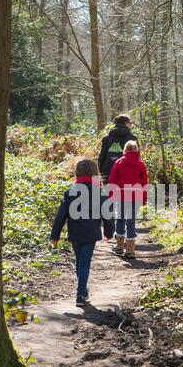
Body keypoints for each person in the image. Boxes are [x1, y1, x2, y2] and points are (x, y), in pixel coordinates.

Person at [50, 159, 114, 307]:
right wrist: (109, 232)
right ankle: (80, 294)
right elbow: (108, 215)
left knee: (80, 262)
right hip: (90, 232)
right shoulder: (100, 191)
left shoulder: (70, 192)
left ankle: (82, 291)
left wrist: (55, 235)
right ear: (94, 173)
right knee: (83, 262)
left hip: (75, 233)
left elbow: (61, 216)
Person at [108, 140, 148, 260]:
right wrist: (144, 198)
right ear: (137, 150)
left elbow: (112, 180)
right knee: (131, 221)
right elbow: (144, 182)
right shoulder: (141, 164)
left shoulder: (119, 162)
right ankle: (130, 250)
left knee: (119, 218)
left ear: (124, 149)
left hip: (121, 195)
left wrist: (111, 195)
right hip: (136, 196)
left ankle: (119, 246)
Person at [98, 114, 138, 183]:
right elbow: (136, 157)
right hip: (127, 173)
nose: (132, 125)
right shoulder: (132, 138)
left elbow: (102, 157)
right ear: (126, 123)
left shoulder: (106, 138)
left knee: (109, 193)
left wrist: (101, 171)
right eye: (130, 123)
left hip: (108, 171)